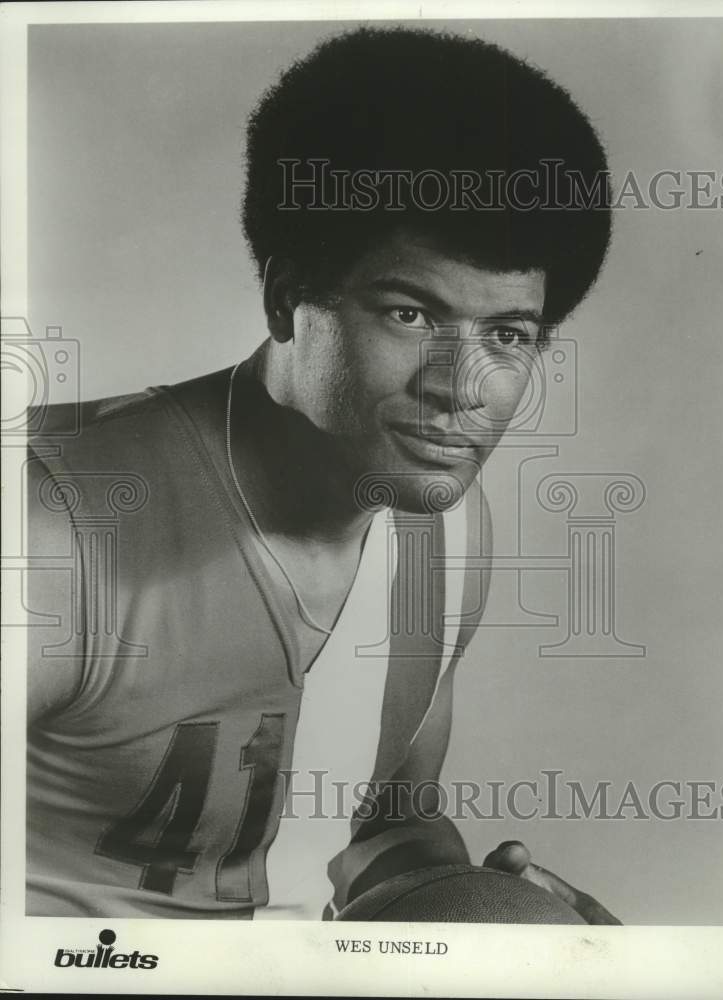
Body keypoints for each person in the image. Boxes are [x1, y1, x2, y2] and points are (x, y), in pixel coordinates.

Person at [25, 26, 619, 922]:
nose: (462, 391)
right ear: (285, 293)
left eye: (508, 334)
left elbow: (384, 817)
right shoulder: (53, 534)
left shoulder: (446, 520)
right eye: (410, 313)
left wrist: (466, 904)